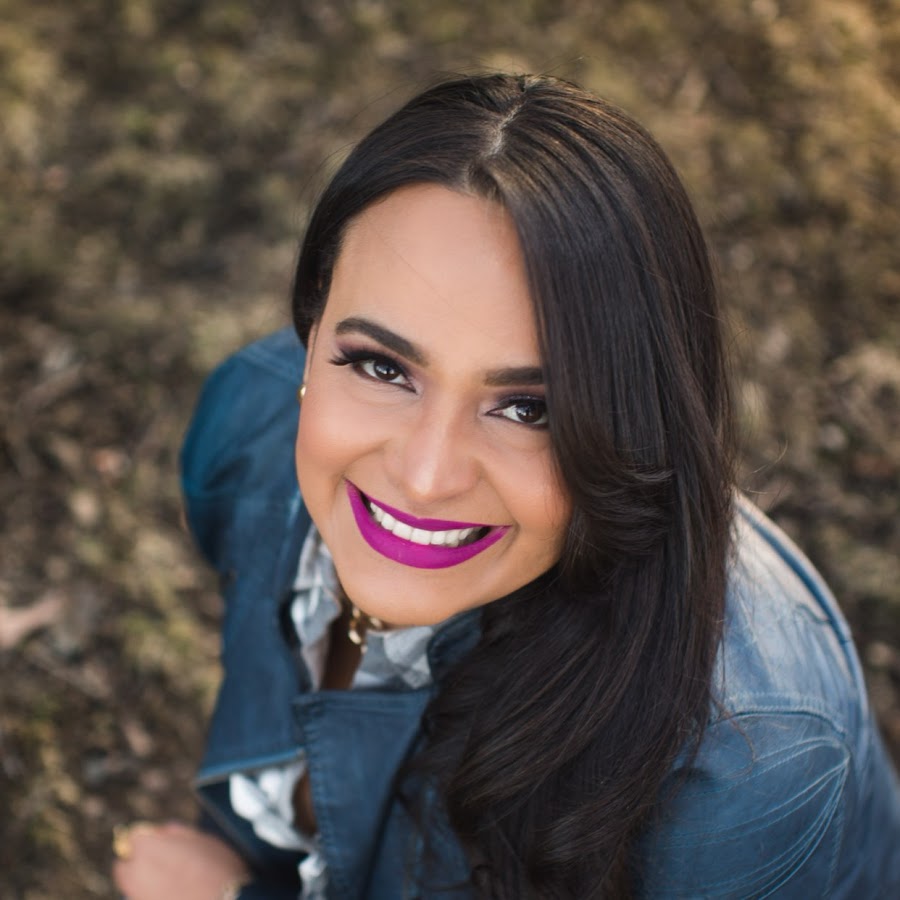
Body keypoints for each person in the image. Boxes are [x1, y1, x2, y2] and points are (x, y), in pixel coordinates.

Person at [112, 73, 900, 899]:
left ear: (635, 425)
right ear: (312, 327)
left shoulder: (746, 761)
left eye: (529, 409)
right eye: (382, 366)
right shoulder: (245, 428)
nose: (425, 478)